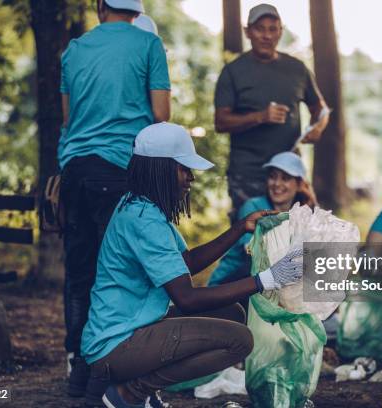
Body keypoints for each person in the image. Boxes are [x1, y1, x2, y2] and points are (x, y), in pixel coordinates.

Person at [80, 122, 303, 408]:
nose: (191, 178)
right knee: (240, 341)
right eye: (184, 169)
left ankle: (135, 388)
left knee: (232, 314)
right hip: (115, 345)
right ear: (160, 169)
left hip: (131, 330)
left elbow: (184, 263)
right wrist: (265, 280)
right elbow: (187, 297)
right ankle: (129, 393)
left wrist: (239, 229)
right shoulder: (143, 219)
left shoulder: (142, 207)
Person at [58, 0, 170, 398]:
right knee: (124, 272)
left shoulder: (74, 49)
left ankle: (79, 365)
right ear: (136, 11)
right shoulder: (147, 45)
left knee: (80, 272)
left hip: (75, 172)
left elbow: (69, 119)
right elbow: (160, 114)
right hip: (120, 170)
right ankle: (112, 372)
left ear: (100, 6)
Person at [214, 3, 329, 220]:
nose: (267, 35)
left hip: (289, 171)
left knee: (303, 229)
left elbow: (320, 108)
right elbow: (220, 122)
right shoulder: (233, 71)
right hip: (249, 173)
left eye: (272, 29)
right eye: (260, 29)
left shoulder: (297, 68)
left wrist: (318, 127)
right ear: (248, 32)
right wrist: (260, 117)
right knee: (252, 236)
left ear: (280, 32)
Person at [208, 151, 316, 287]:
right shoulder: (253, 207)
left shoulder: (302, 214)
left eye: (285, 178)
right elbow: (251, 251)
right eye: (273, 177)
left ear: (299, 184)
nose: (277, 183)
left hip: (269, 282)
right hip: (231, 283)